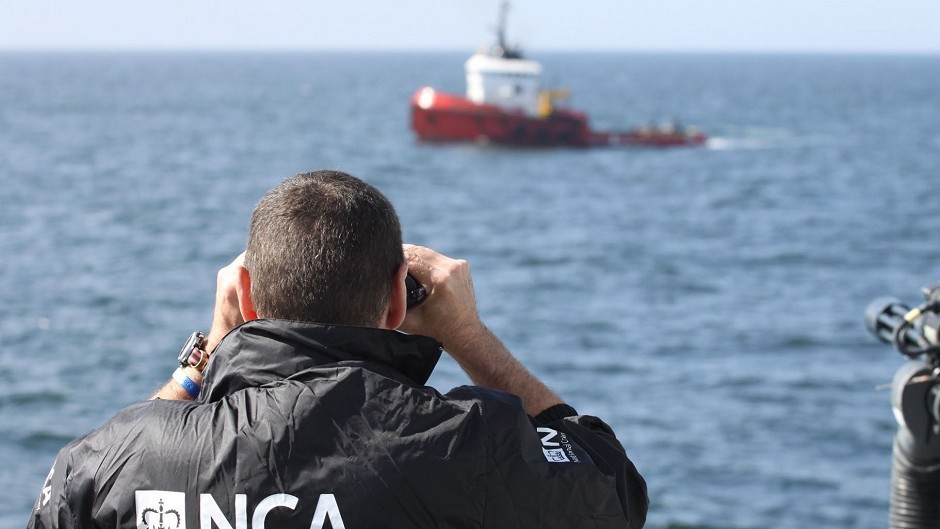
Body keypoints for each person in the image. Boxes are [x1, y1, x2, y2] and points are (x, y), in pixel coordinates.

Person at [28, 170, 648, 529]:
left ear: (243, 294)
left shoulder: (124, 458)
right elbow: (614, 492)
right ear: (397, 305)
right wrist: (468, 337)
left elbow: (58, 509)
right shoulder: (467, 443)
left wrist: (209, 350)